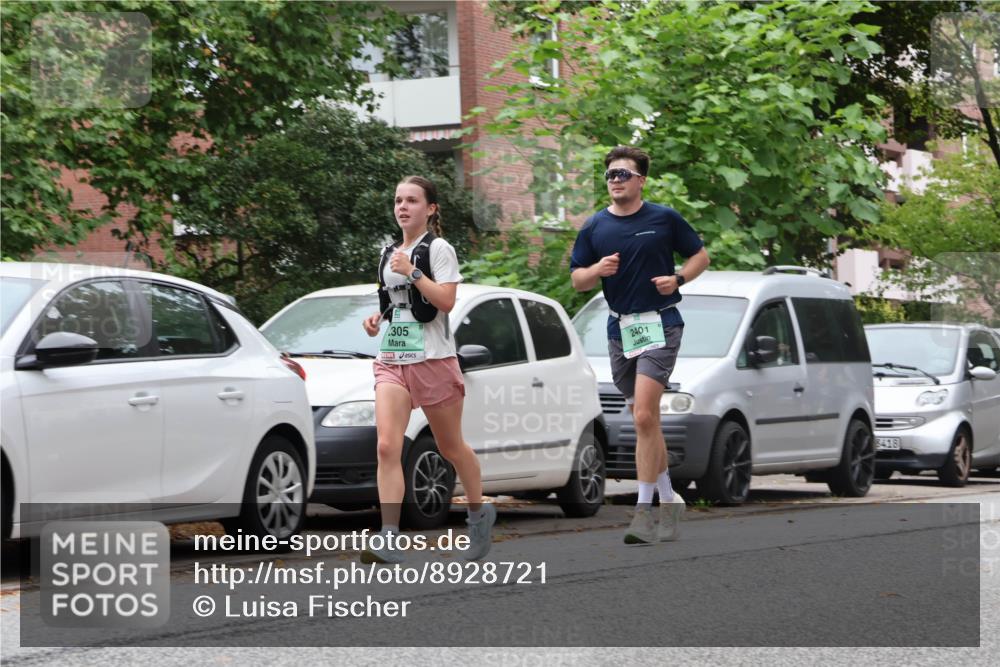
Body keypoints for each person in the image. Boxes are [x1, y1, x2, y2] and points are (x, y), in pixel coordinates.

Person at [570, 146, 711, 544]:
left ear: (641, 180)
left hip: (661, 323)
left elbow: (700, 256)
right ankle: (669, 499)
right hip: (620, 329)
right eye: (610, 175)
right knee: (645, 421)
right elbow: (577, 280)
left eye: (623, 174)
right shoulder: (595, 226)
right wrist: (597, 270)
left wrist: (678, 279)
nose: (615, 180)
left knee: (645, 416)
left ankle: (642, 514)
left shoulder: (663, 218)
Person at [360, 175, 495, 563]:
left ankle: (478, 514)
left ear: (430, 209)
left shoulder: (438, 249)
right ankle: (388, 536)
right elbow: (394, 304)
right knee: (387, 445)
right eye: (398, 200)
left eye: (412, 200)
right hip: (393, 359)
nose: (402, 207)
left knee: (450, 447)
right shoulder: (388, 253)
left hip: (433, 360)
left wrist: (414, 272)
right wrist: (376, 320)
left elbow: (446, 302)